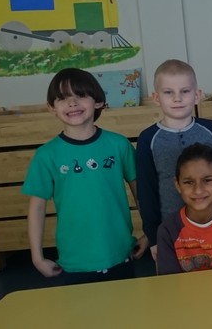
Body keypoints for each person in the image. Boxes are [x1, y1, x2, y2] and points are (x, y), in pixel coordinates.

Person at [23, 68, 147, 285]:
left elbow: (141, 192)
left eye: (80, 95)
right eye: (62, 98)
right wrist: (37, 257)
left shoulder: (119, 145)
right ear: (51, 107)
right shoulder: (46, 155)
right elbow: (37, 208)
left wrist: (148, 232)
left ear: (98, 102)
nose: (72, 103)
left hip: (120, 253)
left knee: (127, 307)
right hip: (74, 261)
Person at [137, 59, 212, 261]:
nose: (177, 98)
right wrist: (153, 237)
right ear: (156, 97)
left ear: (197, 95)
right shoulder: (148, 139)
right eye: (168, 92)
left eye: (185, 91)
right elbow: (146, 191)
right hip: (171, 230)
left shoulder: (211, 130)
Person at [157, 143, 212, 274]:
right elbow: (170, 282)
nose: (198, 190)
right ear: (177, 185)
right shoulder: (168, 230)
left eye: (207, 180)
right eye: (189, 182)